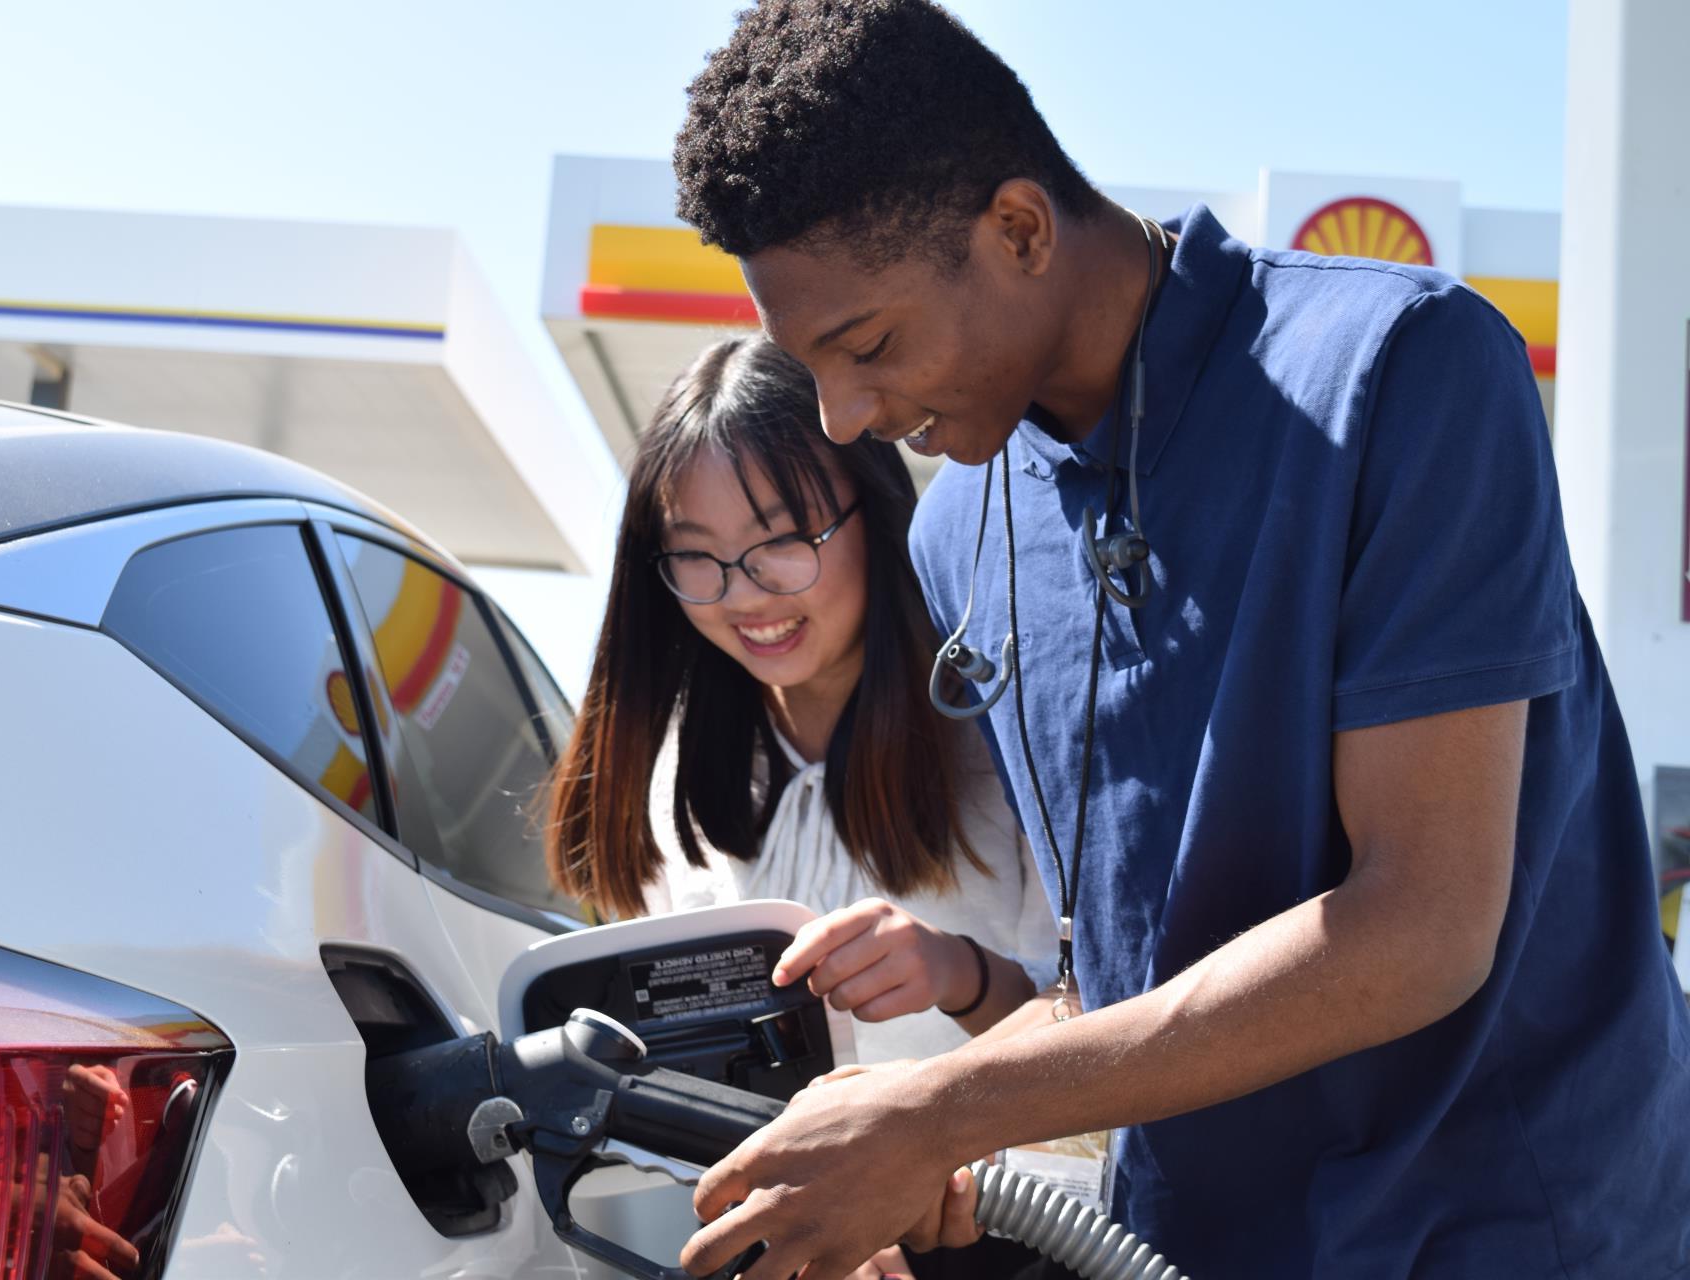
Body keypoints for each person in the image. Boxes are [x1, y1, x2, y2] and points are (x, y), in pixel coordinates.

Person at [663, 4, 1690, 1279]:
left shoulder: (1402, 370)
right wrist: (904, 1157)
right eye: (810, 368)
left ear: (1022, 229)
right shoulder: (961, 532)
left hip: (1518, 1238)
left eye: (868, 346)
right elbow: (1120, 983)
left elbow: (1422, 924)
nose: (849, 413)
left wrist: (942, 1112)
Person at [543, 334, 1071, 1279]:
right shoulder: (679, 779)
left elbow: (1117, 1021)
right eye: (695, 559)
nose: (744, 597)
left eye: (781, 543)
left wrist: (961, 974)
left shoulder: (1008, 733)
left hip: (1021, 1243)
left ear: (872, 509)